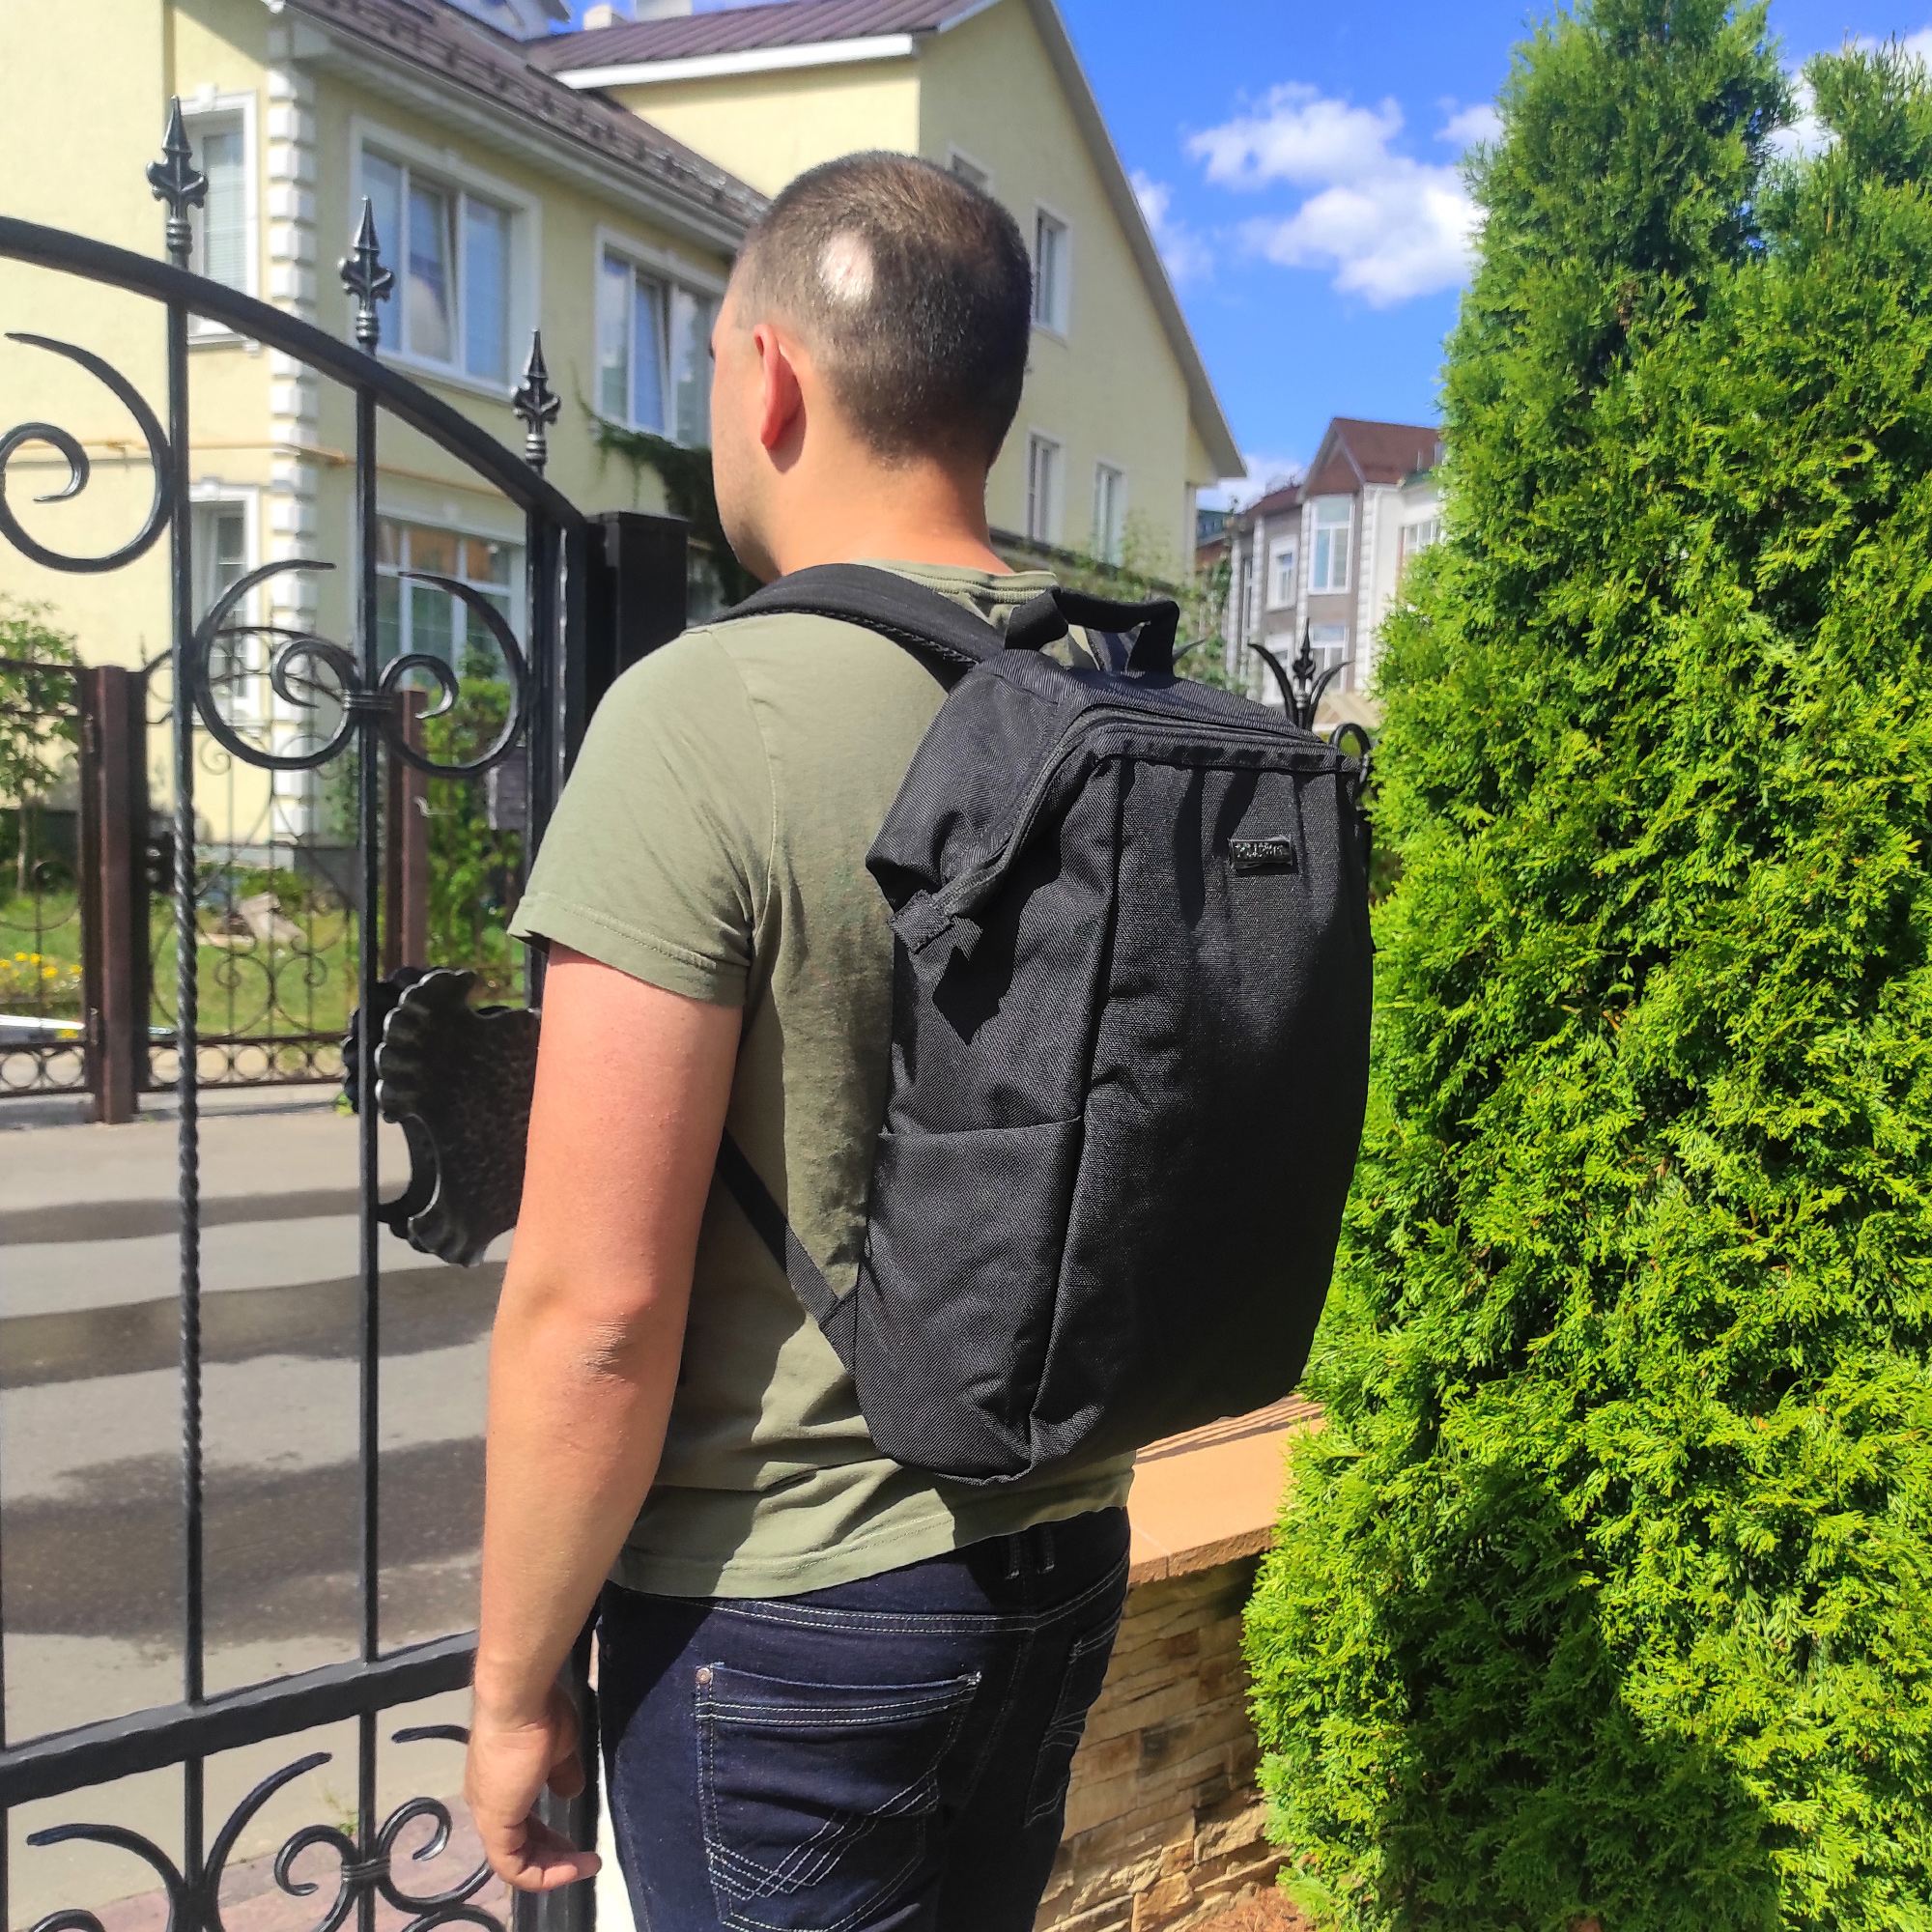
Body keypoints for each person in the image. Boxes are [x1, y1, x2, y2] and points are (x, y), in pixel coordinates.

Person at [464, 153, 1135, 1927]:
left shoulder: (703, 716)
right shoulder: (1101, 707)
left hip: (784, 1616)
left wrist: (515, 1688)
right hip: (1063, 1549)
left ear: (768, 380)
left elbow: (596, 1309)